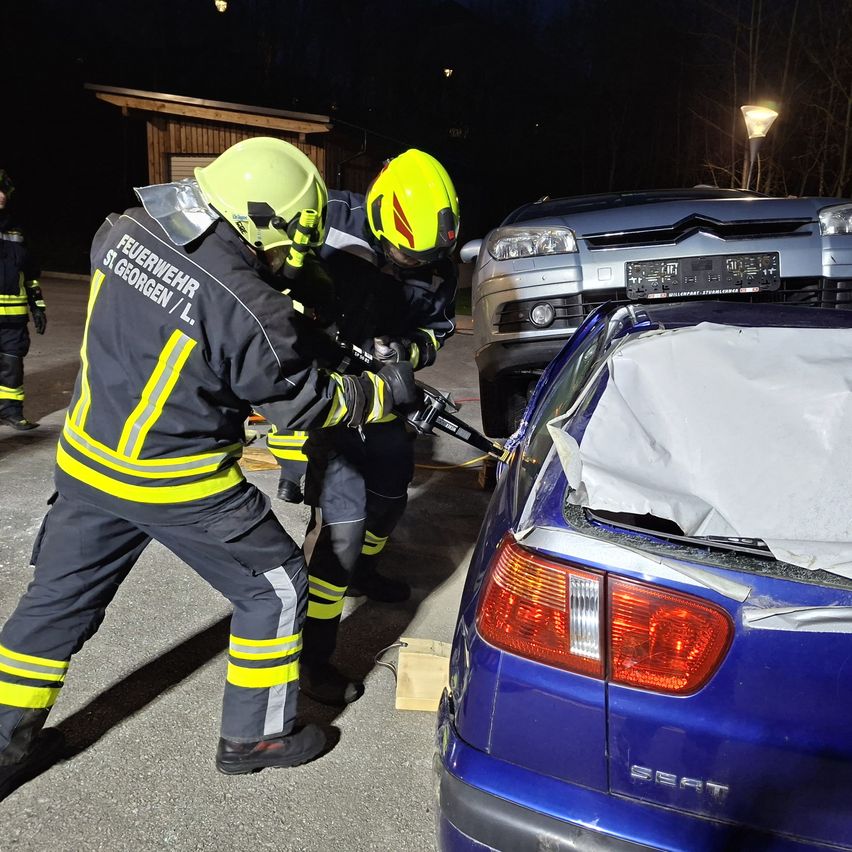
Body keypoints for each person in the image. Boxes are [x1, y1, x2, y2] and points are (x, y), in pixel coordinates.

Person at [0, 137, 421, 800]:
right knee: (277, 589)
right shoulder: (250, 306)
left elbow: (188, 305)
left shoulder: (123, 229)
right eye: (287, 245)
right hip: (176, 480)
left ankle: (5, 744)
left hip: (88, 460)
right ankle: (256, 737)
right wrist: (382, 391)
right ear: (263, 223)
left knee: (54, 605)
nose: (288, 258)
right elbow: (304, 402)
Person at [296, 149, 460, 705]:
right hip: (328, 403)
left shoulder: (437, 259)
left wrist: (405, 353)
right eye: (403, 256)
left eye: (422, 261)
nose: (411, 266)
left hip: (384, 402)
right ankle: (313, 659)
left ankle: (365, 570)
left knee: (390, 500)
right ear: (379, 215)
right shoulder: (327, 223)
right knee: (339, 533)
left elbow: (437, 330)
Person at [0, 170, 46, 430]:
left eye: (4, 191)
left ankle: (11, 411)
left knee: (12, 365)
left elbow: (30, 275)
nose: (1, 196)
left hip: (14, 318)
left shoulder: (17, 230)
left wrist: (37, 307)